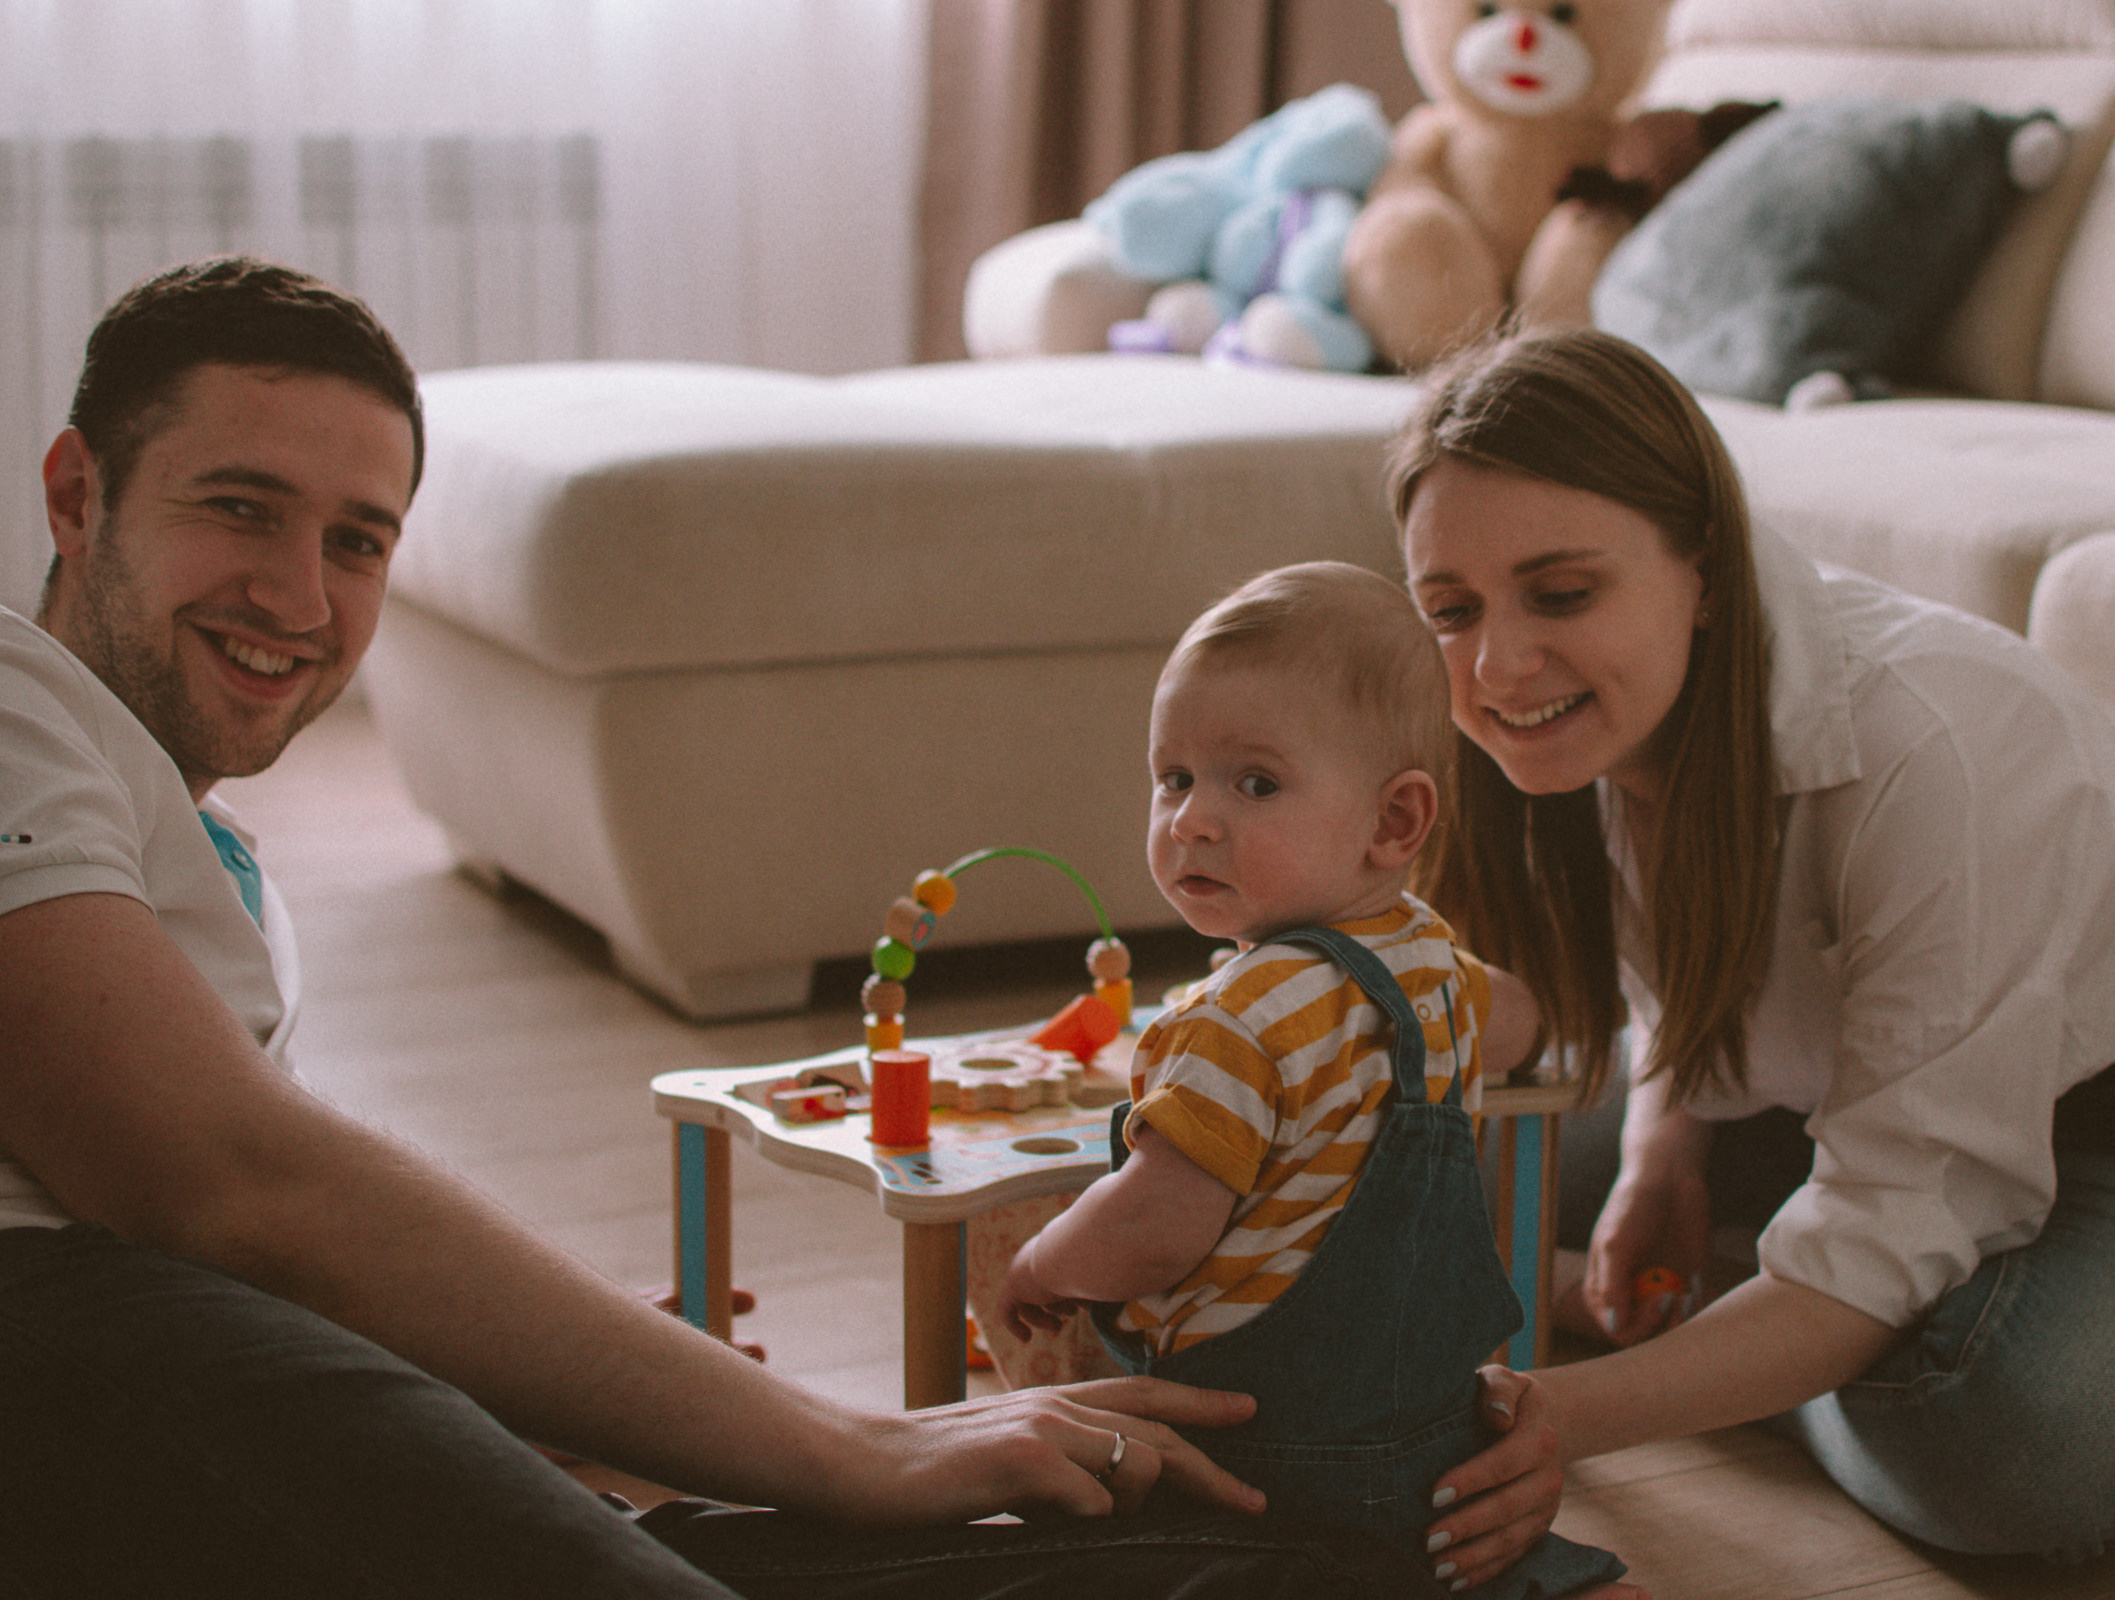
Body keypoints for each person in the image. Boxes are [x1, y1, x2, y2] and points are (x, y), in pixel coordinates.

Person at [0, 256, 1459, 1599]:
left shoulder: (194, 851)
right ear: (78, 497)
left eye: (359, 541)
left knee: (1259, 1570)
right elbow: (225, 1181)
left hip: (183, 1382)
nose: (301, 595)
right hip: (76, 1351)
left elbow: (261, 1240)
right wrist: (836, 1442)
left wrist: (577, 1394)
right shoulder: (13, 714)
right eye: (240, 508)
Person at [1390, 327, 2115, 1574]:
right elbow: (1690, 987)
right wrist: (1666, 1148)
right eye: (1452, 610)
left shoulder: (1940, 742)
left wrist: (1565, 1415)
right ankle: (1773, 1300)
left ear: (1702, 566)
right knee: (1415, 1150)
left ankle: (1761, 1313)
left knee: (2014, 1437)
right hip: (1810, 1095)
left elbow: (1900, 1197)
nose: (1497, 664)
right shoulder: (1608, 725)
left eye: (1562, 592)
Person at [997, 562, 1640, 1600]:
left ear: (1396, 822)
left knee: (1113, 1551)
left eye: (1255, 783)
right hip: (1435, 1434)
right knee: (1434, 1559)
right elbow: (1515, 1017)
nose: (1194, 821)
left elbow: (1157, 1226)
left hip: (1261, 1450)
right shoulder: (1431, 964)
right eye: (1174, 778)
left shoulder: (1231, 1021)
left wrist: (1045, 1260)